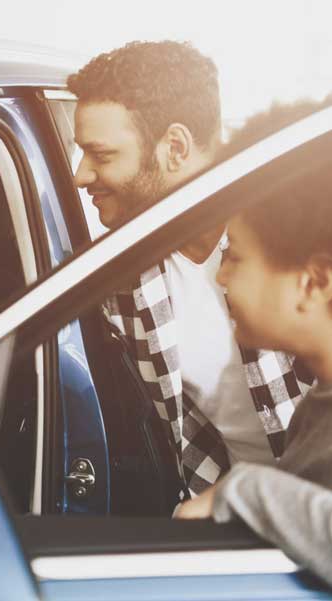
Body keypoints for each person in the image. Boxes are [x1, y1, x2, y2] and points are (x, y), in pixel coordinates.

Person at [68, 41, 312, 498]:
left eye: (101, 155)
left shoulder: (302, 238)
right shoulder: (118, 280)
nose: (80, 175)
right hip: (239, 527)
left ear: (175, 147)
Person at [175, 98, 332, 587]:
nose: (221, 277)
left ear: (314, 282)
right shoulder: (316, 411)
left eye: (236, 258)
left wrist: (239, 491)